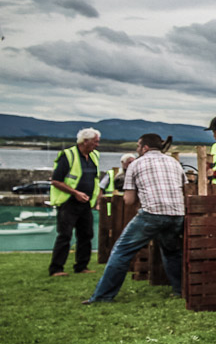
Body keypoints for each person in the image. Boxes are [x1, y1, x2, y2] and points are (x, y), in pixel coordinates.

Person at [83, 133, 186, 303]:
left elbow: (129, 200)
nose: (137, 150)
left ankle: (103, 296)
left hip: (152, 214)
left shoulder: (136, 164)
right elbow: (182, 189)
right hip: (177, 214)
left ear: (145, 147)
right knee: (171, 251)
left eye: (138, 146)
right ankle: (179, 290)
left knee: (121, 251)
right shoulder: (174, 163)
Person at [48, 127, 102, 277]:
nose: (97, 145)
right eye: (95, 142)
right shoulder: (68, 155)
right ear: (85, 141)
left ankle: (82, 266)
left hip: (86, 203)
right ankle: (56, 269)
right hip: (68, 202)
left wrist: (95, 199)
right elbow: (56, 181)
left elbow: (95, 180)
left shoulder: (95, 156)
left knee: (86, 234)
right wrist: (75, 193)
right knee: (65, 235)